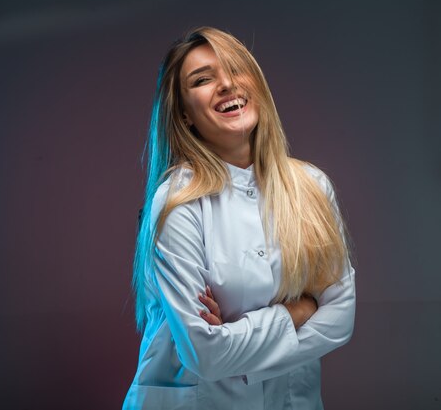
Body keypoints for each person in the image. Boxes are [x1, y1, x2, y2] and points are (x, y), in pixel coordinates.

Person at [122, 26, 356, 410]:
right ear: (184, 114)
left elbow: (341, 320)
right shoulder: (178, 201)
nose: (227, 84)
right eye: (202, 79)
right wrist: (297, 310)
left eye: (235, 69)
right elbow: (205, 356)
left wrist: (234, 337)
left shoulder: (312, 186)